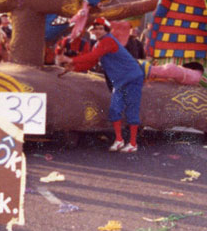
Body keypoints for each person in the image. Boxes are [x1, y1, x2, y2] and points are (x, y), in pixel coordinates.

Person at [58, 17, 144, 153]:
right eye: (95, 28)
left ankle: (133, 143)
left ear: (106, 30)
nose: (97, 31)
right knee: (115, 110)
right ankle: (119, 140)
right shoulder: (98, 44)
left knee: (131, 110)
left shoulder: (108, 41)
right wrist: (73, 67)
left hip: (132, 78)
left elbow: (93, 56)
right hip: (120, 80)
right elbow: (92, 62)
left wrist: (71, 59)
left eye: (100, 28)